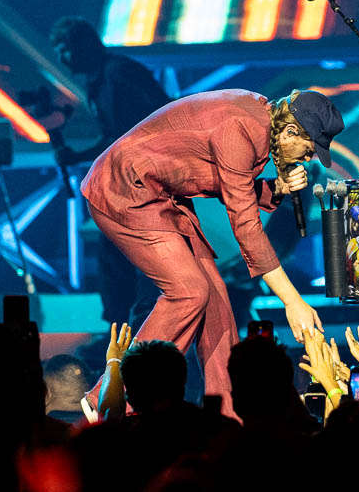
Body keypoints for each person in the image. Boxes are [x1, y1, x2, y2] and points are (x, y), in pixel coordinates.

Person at [79, 88, 344, 420]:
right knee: (189, 292)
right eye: (307, 150)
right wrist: (293, 301)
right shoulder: (239, 130)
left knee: (216, 303)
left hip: (163, 198)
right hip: (126, 190)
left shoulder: (260, 119)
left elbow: (230, 183)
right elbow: (246, 228)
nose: (306, 160)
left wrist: (277, 188)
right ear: (290, 131)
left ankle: (228, 416)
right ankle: (112, 398)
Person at [49, 16, 170, 342]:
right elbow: (117, 136)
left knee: (127, 254)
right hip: (134, 181)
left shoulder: (119, 75)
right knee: (118, 253)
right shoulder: (104, 78)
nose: (62, 57)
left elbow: (130, 133)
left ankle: (130, 328)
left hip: (145, 182)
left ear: (84, 45)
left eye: (65, 48)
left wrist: (79, 155)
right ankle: (125, 327)